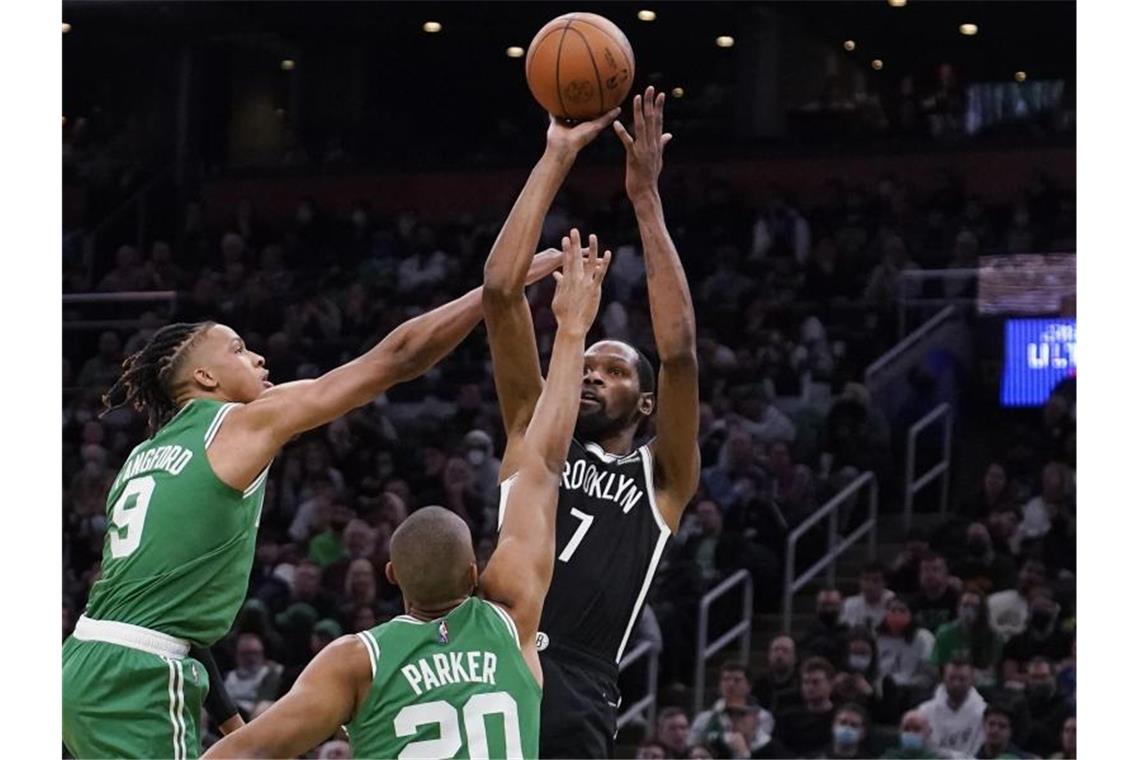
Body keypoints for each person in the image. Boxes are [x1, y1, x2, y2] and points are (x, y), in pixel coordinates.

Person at [62, 251, 562, 759]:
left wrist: (231, 717)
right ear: (206, 381)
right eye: (237, 349)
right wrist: (493, 293)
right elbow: (396, 357)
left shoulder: (142, 457)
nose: (256, 357)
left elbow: (166, 613)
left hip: (86, 661)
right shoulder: (239, 423)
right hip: (138, 679)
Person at [203, 231, 613, 758]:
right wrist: (573, 329)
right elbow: (545, 462)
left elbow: (239, 753)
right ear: (474, 574)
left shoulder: (356, 661)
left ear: (390, 574)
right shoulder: (512, 616)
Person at [483, 87, 701, 757]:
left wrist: (645, 200)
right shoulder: (533, 435)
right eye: (587, 364)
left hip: (579, 680)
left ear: (646, 404)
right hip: (491, 656)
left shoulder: (662, 481)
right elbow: (499, 291)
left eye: (613, 371)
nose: (590, 374)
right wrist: (556, 156)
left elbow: (680, 350)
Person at [689, 662, 774, 750]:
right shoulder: (704, 718)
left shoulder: (762, 717)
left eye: (737, 680)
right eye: (726, 679)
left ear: (749, 687)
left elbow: (761, 748)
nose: (730, 684)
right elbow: (692, 747)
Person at [930, 588, 1003, 690]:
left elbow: (991, 670)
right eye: (965, 605)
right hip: (950, 683)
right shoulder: (945, 633)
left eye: (974, 607)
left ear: (982, 611)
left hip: (981, 685)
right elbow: (937, 666)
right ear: (958, 608)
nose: (968, 611)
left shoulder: (993, 636)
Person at [1000, 587, 1074, 686]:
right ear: (1029, 610)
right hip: (1025, 688)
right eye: (1037, 607)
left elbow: (1073, 663)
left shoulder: (1067, 638)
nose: (1041, 611)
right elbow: (1009, 675)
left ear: (1055, 609)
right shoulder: (1016, 641)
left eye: (1045, 606)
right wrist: (1037, 679)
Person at [916, 660, 987, 758]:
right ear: (943, 678)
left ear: (972, 680)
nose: (956, 684)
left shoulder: (983, 713)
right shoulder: (924, 711)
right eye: (952, 678)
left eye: (962, 679)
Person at [876, 596, 937, 706]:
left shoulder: (923, 638)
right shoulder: (878, 638)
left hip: (912, 692)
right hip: (879, 692)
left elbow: (928, 675)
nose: (897, 614)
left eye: (902, 610)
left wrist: (903, 685)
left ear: (912, 615)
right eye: (893, 610)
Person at [774, 657, 837, 757]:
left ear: (831, 684)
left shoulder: (840, 719)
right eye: (806, 682)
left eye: (816, 682)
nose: (810, 687)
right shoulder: (787, 718)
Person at [222, 633, 284, 716]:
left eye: (255, 653)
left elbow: (267, 698)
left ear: (262, 653)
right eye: (246, 653)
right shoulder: (228, 677)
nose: (251, 658)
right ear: (237, 655)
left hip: (256, 715)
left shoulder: (270, 674)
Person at [1021, 658, 1071, 758]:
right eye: (1034, 677)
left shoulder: (1066, 706)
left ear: (1053, 677)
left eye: (1043, 677)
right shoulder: (1020, 704)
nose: (1039, 682)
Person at [988, 559, 1048, 640]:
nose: (1032, 576)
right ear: (1020, 572)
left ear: (1045, 579)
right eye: (1029, 570)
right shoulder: (995, 600)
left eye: (1039, 573)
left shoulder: (1048, 610)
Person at [951, 523, 1018, 595]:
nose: (977, 541)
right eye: (974, 537)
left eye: (981, 537)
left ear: (989, 540)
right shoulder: (960, 566)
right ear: (967, 540)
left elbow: (1008, 593)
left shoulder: (1004, 565)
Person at [799, 588, 850, 668]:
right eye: (824, 605)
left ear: (841, 606)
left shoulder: (848, 633)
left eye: (832, 605)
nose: (828, 609)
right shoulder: (807, 633)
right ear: (817, 606)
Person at [911, 553, 960, 633]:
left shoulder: (958, 601)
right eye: (925, 570)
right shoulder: (913, 603)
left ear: (946, 574)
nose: (930, 574)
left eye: (935, 569)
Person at [841, 561, 896, 630]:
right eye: (866, 579)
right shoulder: (850, 604)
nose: (870, 585)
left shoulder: (893, 602)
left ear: (885, 583)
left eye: (875, 580)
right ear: (859, 581)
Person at [754, 634, 800, 714]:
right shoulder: (759, 685)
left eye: (785, 650)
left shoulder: (802, 684)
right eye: (775, 650)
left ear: (795, 657)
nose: (779, 654)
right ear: (768, 655)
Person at [879, 710, 945, 759]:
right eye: (906, 729)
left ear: (928, 732)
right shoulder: (889, 757)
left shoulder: (937, 758)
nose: (911, 733)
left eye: (917, 729)